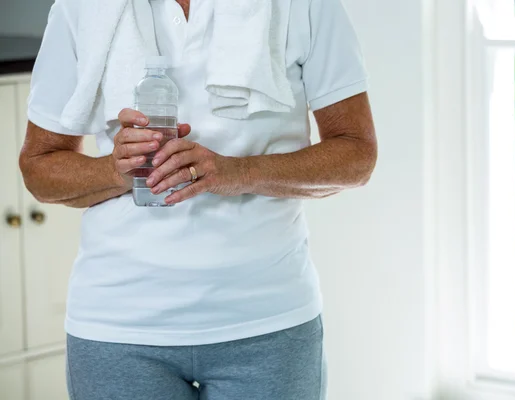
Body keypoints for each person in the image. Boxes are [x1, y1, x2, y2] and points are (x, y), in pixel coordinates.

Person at [19, 0, 377, 398]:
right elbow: (39, 169)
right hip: (118, 327)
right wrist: (116, 171)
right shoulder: (80, 8)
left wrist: (237, 172)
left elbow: (356, 155)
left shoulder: (304, 6)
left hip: (268, 322)